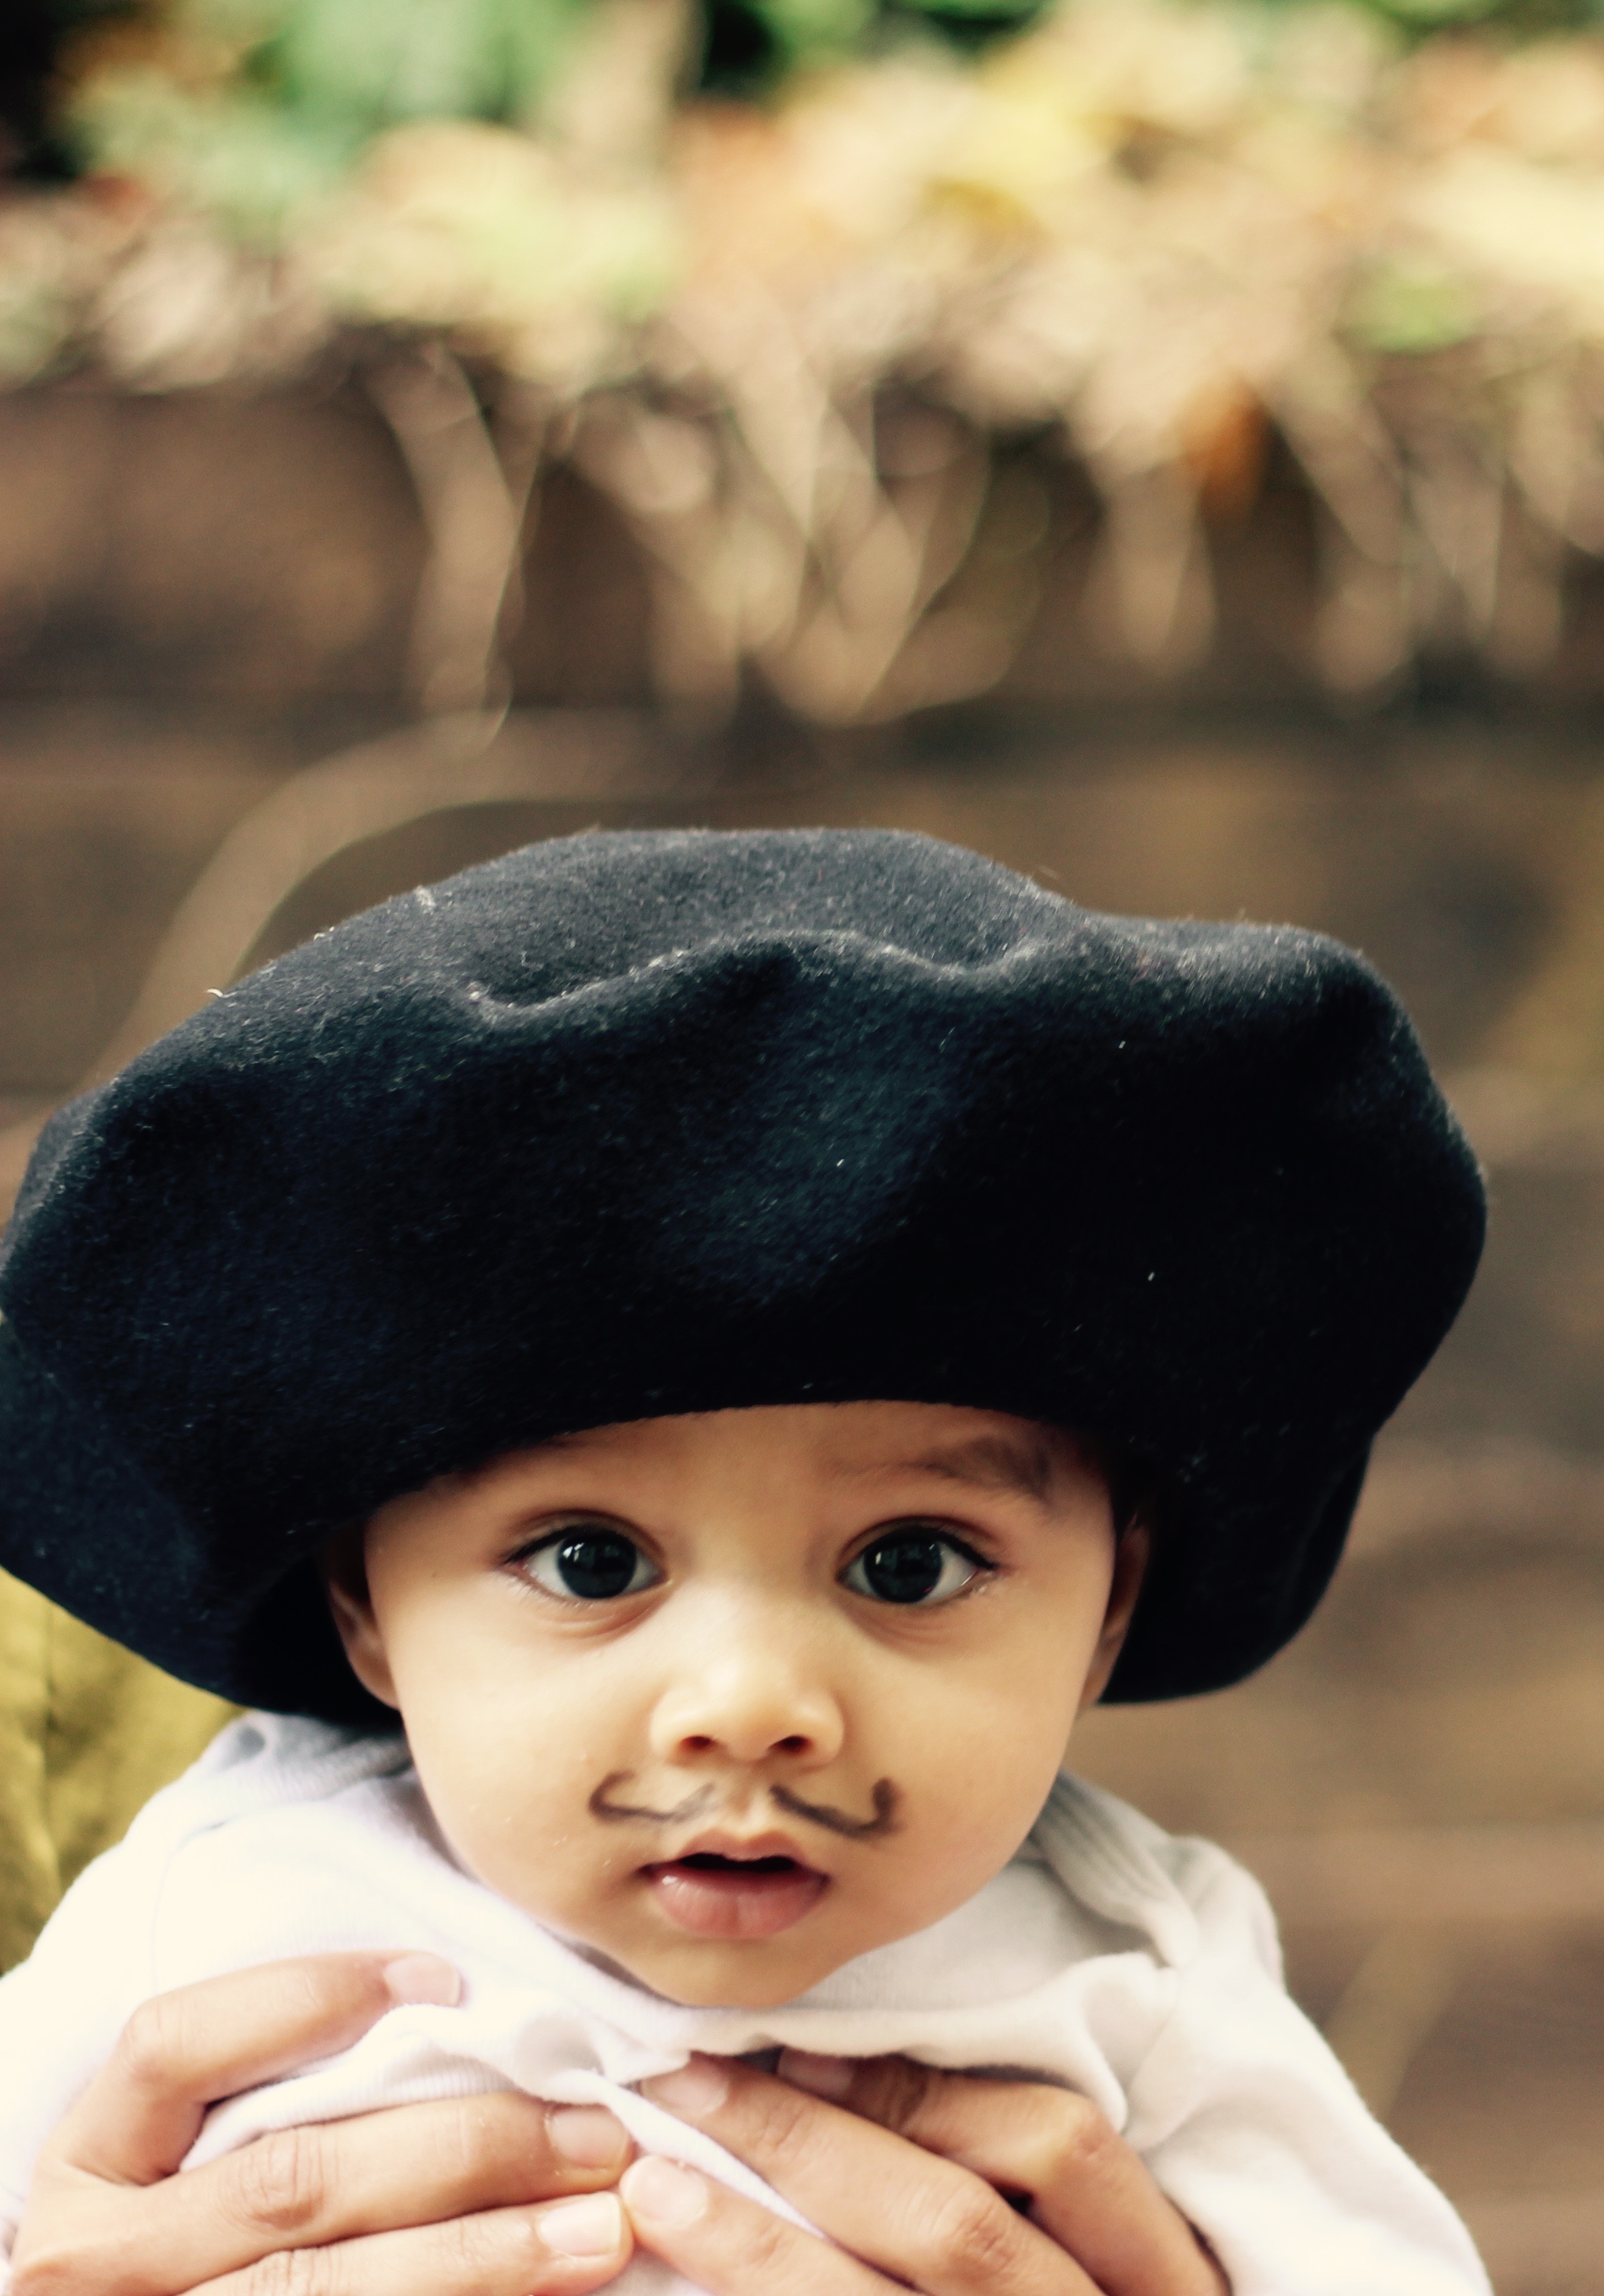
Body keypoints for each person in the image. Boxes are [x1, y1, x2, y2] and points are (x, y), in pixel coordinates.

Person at [0, 826, 1493, 2296]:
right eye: (590, 1563)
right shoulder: (215, 1905)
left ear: (1110, 1605)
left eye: (910, 1565)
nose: (753, 1702)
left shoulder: (1139, 1973)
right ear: (362, 1607)